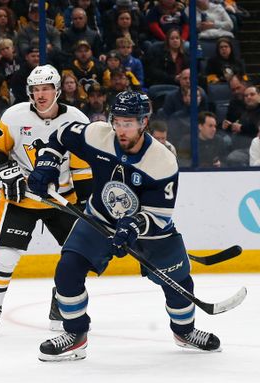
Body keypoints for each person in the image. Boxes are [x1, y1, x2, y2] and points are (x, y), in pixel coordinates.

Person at [27, 91, 221, 362]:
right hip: (100, 218)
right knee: (68, 270)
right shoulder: (98, 135)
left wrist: (132, 226)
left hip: (151, 230)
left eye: (128, 123)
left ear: (144, 122)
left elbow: (159, 214)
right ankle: (75, 335)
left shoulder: (161, 161)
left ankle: (184, 331)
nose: (121, 129)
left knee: (179, 282)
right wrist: (47, 163)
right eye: (117, 121)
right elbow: (61, 135)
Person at [0, 65, 91, 331]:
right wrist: (6, 172)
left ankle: (61, 302)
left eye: (46, 89)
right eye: (36, 90)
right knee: (5, 256)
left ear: (57, 90)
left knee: (77, 258)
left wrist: (88, 202)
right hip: (22, 197)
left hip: (62, 198)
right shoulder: (14, 116)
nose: (40, 95)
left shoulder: (76, 119)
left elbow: (83, 166)